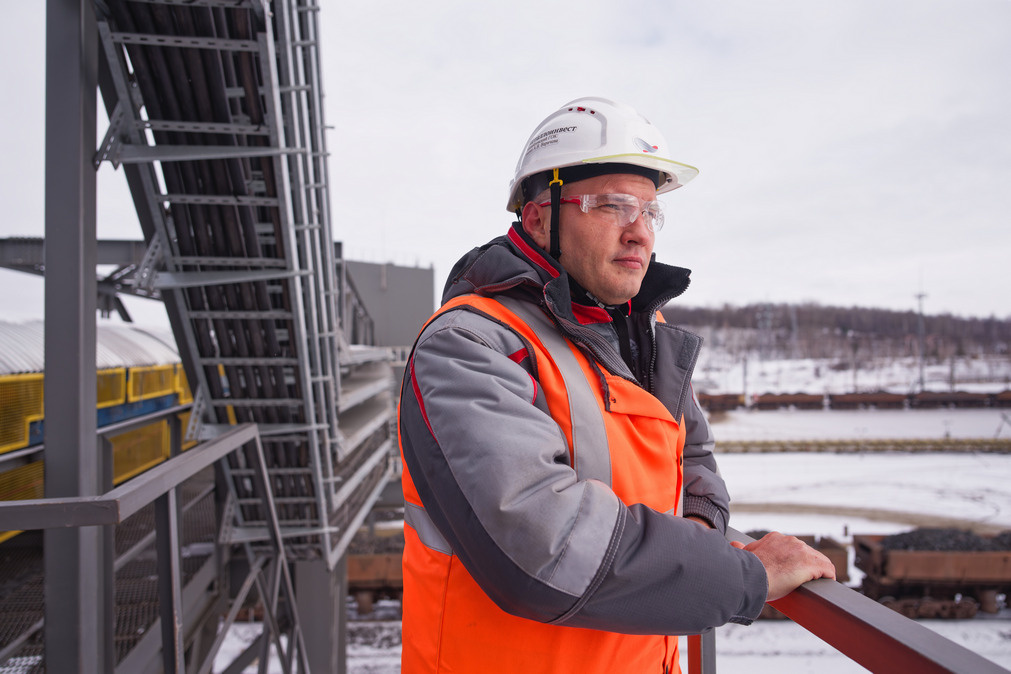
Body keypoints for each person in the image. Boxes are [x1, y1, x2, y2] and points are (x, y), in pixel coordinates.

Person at [397, 96, 835, 674]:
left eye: (651, 212)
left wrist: (697, 539)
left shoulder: (645, 334)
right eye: (613, 206)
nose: (640, 234)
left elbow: (693, 457)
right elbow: (543, 545)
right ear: (538, 217)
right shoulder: (470, 344)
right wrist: (743, 575)